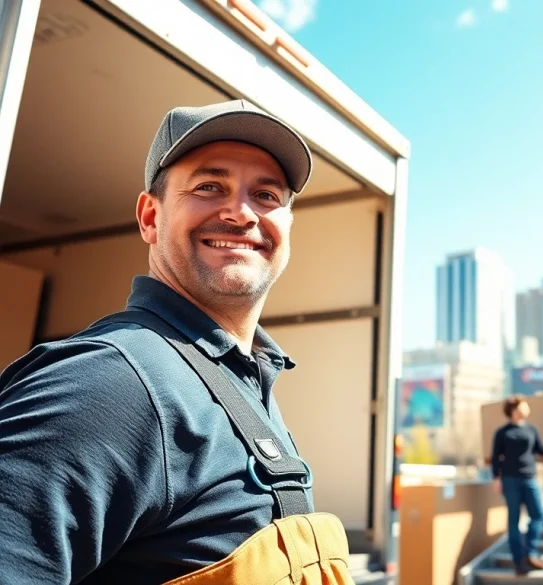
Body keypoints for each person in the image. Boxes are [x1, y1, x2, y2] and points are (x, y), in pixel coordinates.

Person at [0, 100, 353, 584]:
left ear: (288, 226)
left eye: (267, 195)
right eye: (210, 187)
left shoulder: (244, 377)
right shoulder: (109, 384)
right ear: (150, 217)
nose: (241, 212)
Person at [491, 395, 543, 575]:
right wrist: (496, 478)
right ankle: (518, 561)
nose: (527, 408)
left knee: (538, 514)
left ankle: (530, 552)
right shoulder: (503, 432)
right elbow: (495, 458)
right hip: (510, 479)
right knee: (514, 520)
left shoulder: (532, 429)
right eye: (524, 406)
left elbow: (542, 450)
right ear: (514, 410)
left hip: (529, 478)